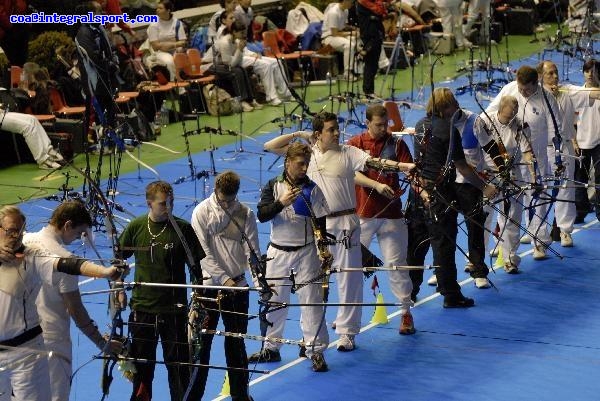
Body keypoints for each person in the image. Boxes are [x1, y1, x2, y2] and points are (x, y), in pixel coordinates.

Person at [264, 111, 415, 351]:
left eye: (337, 128)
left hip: (345, 225)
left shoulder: (348, 152)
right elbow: (269, 146)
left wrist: (403, 166)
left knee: (349, 279)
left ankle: (347, 333)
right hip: (316, 229)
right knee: (310, 285)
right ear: (317, 134)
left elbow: (376, 162)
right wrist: (299, 134)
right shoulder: (307, 155)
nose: (337, 133)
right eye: (331, 129)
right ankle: (310, 337)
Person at [0, 205, 121, 401]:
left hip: (31, 347)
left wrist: (104, 272)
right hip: (51, 348)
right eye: (12, 231)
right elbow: (77, 310)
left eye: (19, 231)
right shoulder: (35, 248)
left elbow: (71, 265)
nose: (16, 237)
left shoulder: (32, 248)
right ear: (67, 225)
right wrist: (101, 342)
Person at [248, 142, 330, 371]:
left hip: (306, 252)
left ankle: (315, 351)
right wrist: (281, 203)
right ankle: (271, 349)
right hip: (278, 251)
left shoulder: (313, 189)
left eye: (307, 163)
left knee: (312, 302)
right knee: (274, 301)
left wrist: (324, 250)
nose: (304, 168)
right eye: (300, 163)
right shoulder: (274, 186)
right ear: (288, 162)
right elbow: (262, 215)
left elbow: (321, 222)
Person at [119, 180, 204, 401]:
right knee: (142, 369)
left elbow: (196, 270)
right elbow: (118, 260)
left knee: (178, 369)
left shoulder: (182, 228)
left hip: (173, 311)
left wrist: (196, 304)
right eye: (164, 204)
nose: (169, 207)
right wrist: (118, 288)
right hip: (142, 309)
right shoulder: (137, 227)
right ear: (149, 203)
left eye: (172, 202)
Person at [413, 88, 497, 308]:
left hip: (421, 193)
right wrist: (485, 187)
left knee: (420, 244)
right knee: (445, 244)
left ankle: (410, 292)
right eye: (451, 105)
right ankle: (450, 294)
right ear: (443, 108)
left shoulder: (421, 125)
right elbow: (463, 168)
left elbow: (420, 163)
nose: (456, 108)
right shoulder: (448, 130)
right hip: (441, 193)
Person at [346, 104, 416, 334]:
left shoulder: (396, 143)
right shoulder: (355, 144)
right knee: (353, 268)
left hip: (392, 214)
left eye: (385, 124)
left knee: (397, 266)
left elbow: (409, 171)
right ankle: (347, 321)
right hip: (363, 216)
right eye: (378, 125)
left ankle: (406, 313)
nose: (383, 128)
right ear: (367, 123)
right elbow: (350, 172)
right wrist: (375, 184)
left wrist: (420, 188)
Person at [190, 171, 258, 401]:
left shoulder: (245, 213)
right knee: (202, 346)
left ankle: (240, 395)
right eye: (223, 199)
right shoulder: (201, 212)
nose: (227, 204)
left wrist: (260, 284)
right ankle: (194, 397)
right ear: (215, 191)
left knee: (236, 345)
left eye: (231, 199)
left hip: (238, 288)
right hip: (209, 288)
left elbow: (253, 252)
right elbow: (203, 254)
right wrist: (224, 280)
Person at [486, 65, 561, 260]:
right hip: (510, 160)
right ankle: (504, 245)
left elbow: (556, 131)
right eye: (520, 88)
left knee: (538, 200)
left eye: (526, 89)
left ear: (536, 83)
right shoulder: (510, 88)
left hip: (538, 158)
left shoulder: (547, 98)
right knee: (508, 204)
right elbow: (489, 114)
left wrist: (557, 159)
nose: (522, 92)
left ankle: (539, 241)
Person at [476, 96, 536, 273]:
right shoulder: (485, 121)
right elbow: (475, 148)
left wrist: (532, 173)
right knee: (483, 217)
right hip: (488, 175)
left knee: (512, 217)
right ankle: (477, 259)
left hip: (512, 174)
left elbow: (526, 151)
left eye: (514, 114)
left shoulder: (520, 125)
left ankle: (510, 258)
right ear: (500, 109)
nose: (512, 118)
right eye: (509, 114)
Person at [537, 61, 594, 246]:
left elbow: (592, 93)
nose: (555, 76)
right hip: (542, 150)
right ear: (540, 77)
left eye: (556, 72)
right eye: (550, 74)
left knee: (566, 189)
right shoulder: (535, 97)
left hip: (565, 148)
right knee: (542, 193)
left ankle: (565, 231)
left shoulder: (567, 91)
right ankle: (539, 235)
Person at [564, 60, 600, 223]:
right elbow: (570, 120)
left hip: (599, 143)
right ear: (583, 73)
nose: (590, 74)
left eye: (593, 71)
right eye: (587, 71)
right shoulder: (577, 95)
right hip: (580, 143)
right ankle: (580, 211)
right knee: (579, 180)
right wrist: (573, 140)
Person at [0, 105, 65, 169]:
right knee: (27, 126)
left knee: (32, 119)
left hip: (2, 113)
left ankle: (48, 151)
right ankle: (43, 160)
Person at [144, 0, 187, 83]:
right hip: (159, 52)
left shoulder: (177, 23)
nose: (157, 10)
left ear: (168, 10)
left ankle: (187, 83)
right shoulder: (154, 25)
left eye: (160, 8)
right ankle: (176, 86)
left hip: (176, 50)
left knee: (181, 59)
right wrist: (175, 44)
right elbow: (156, 46)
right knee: (169, 61)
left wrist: (171, 45)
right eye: (157, 8)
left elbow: (183, 42)